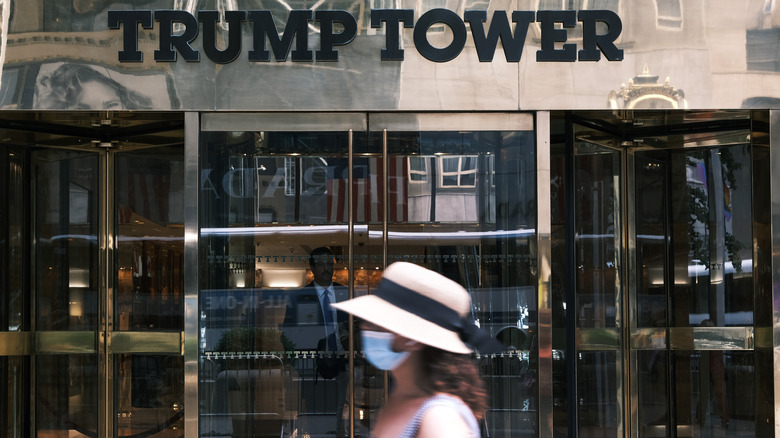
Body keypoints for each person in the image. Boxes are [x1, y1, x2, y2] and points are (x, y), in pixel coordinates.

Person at [332, 261, 503, 438]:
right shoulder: (401, 396)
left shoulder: (440, 418)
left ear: (412, 338)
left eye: (379, 323)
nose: (365, 327)